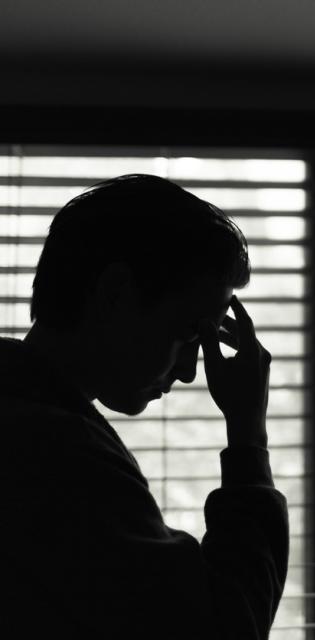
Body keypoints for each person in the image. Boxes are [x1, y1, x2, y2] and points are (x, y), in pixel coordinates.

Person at [0, 174, 289, 639]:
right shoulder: (56, 453)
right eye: (190, 334)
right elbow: (224, 627)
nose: (192, 372)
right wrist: (248, 436)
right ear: (115, 292)